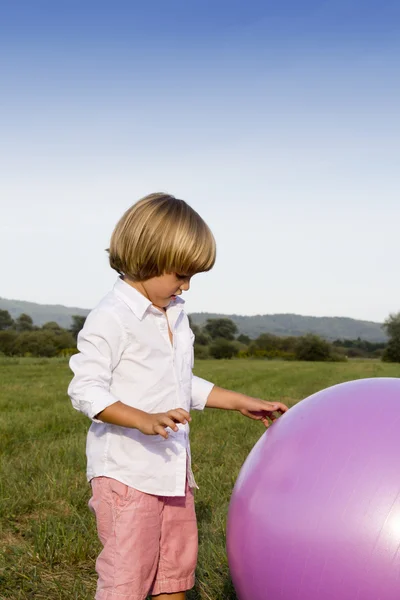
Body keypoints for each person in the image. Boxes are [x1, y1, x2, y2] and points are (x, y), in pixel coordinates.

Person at [68, 193, 288, 600]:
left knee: (175, 575)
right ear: (148, 258)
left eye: (192, 277)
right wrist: (141, 418)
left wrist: (240, 401)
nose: (186, 286)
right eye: (181, 275)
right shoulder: (112, 316)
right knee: (126, 581)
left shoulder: (173, 312)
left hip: (172, 473)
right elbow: (85, 388)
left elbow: (179, 381)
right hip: (127, 475)